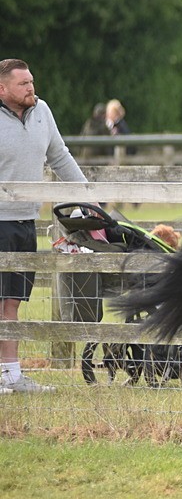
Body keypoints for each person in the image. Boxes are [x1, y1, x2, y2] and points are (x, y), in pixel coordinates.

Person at [0, 58, 88, 393]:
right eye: (23, 84)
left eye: (31, 82)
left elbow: (60, 157)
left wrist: (87, 196)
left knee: (12, 301)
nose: (30, 89)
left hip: (26, 221)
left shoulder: (42, 112)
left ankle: (11, 375)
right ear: (3, 88)